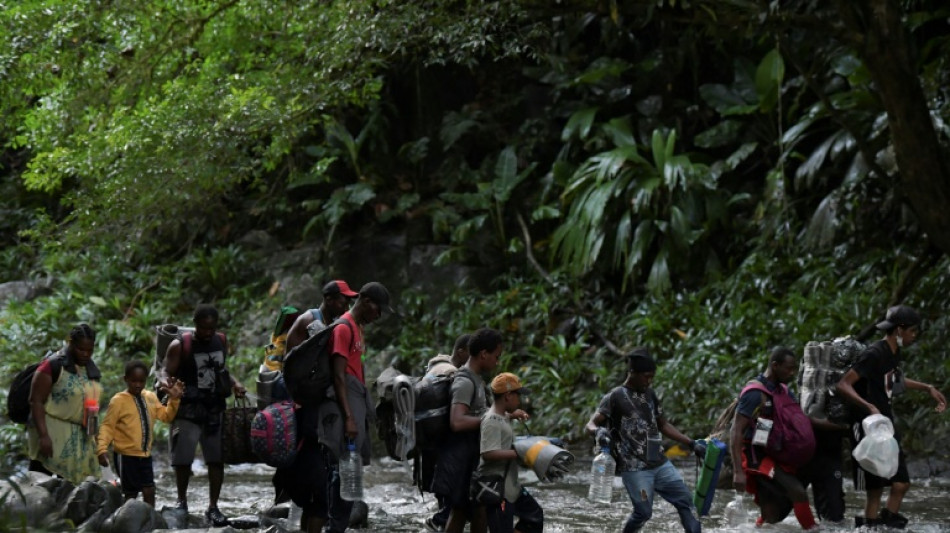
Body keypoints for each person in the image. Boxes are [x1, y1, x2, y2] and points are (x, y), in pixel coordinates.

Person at [284, 281, 392, 533]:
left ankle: (337, 525)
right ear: (365, 302)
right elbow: (339, 376)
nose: (379, 315)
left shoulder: (357, 328)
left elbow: (355, 369)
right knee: (341, 470)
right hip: (342, 406)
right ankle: (335, 526)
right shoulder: (343, 328)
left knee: (347, 469)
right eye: (378, 309)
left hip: (354, 401)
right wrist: (349, 416)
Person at [836, 305, 946, 529]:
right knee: (875, 488)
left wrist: (927, 388)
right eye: (913, 331)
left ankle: (885, 522)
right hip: (867, 425)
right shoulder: (874, 354)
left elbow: (894, 382)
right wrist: (869, 406)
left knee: (901, 483)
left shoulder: (894, 352)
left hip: (884, 425)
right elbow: (843, 384)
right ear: (899, 330)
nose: (914, 336)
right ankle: (871, 525)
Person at [586, 349, 704, 533]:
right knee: (643, 512)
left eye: (652, 377)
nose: (649, 381)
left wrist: (691, 443)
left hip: (660, 463)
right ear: (632, 373)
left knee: (687, 504)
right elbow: (591, 424)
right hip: (634, 469)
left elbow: (663, 425)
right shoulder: (615, 396)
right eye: (646, 377)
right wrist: (598, 432)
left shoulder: (650, 394)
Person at [271, 279, 358, 505]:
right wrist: (298, 400)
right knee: (298, 446)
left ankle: (315, 494)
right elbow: (293, 366)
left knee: (317, 448)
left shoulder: (337, 322)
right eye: (342, 300)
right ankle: (287, 494)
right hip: (298, 394)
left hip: (318, 394)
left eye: (349, 301)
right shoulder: (309, 321)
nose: (346, 306)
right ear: (328, 299)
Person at [161, 304, 247, 526]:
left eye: (212, 328)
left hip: (214, 407)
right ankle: (182, 502)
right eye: (204, 328)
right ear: (196, 324)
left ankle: (213, 507)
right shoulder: (180, 345)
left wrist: (235, 384)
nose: (208, 333)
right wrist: (166, 384)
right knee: (183, 459)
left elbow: (222, 370)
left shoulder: (221, 341)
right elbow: (165, 371)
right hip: (187, 408)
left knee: (216, 459)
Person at [730, 347, 818, 531]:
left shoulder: (783, 390)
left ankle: (760, 525)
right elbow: (736, 431)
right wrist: (738, 471)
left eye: (794, 368)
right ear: (774, 365)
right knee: (798, 492)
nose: (792, 373)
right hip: (755, 455)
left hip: (776, 450)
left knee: (773, 511)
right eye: (789, 368)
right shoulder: (754, 393)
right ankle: (813, 529)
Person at [430, 327, 504, 533]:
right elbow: (458, 421)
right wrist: (493, 418)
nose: (497, 362)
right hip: (459, 461)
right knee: (461, 511)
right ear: (484, 354)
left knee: (477, 510)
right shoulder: (464, 380)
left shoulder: (477, 380)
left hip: (470, 459)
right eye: (496, 357)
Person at [97, 360, 184, 506]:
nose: (137, 384)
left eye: (141, 381)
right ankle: (128, 520)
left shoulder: (150, 397)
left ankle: (150, 520)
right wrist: (101, 449)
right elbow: (107, 427)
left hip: (145, 455)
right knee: (130, 493)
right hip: (125, 456)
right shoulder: (118, 401)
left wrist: (174, 399)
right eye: (133, 381)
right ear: (126, 379)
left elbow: (166, 416)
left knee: (149, 489)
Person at [27, 324, 103, 484]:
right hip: (51, 430)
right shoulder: (52, 365)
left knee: (72, 487)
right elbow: (36, 401)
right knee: (41, 479)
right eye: (81, 349)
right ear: (71, 343)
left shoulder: (90, 370)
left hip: (78, 437)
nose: (85, 354)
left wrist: (96, 441)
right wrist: (43, 436)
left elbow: (92, 408)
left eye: (89, 350)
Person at [477, 372, 541, 533]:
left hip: (511, 488)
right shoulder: (491, 421)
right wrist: (520, 453)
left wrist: (512, 414)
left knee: (535, 516)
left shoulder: (501, 416)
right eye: (517, 395)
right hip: (498, 490)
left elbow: (503, 416)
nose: (519, 400)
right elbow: (488, 453)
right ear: (507, 396)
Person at [422, 333, 472, 532]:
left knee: (447, 498)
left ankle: (440, 521)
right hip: (444, 445)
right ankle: (438, 522)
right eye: (471, 353)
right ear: (461, 352)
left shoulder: (435, 367)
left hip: (431, 442)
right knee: (455, 499)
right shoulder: (451, 374)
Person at [283, 279, 359, 353]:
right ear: (329, 300)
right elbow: (291, 359)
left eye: (348, 305)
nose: (346, 309)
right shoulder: (308, 320)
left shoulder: (332, 321)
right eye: (343, 304)